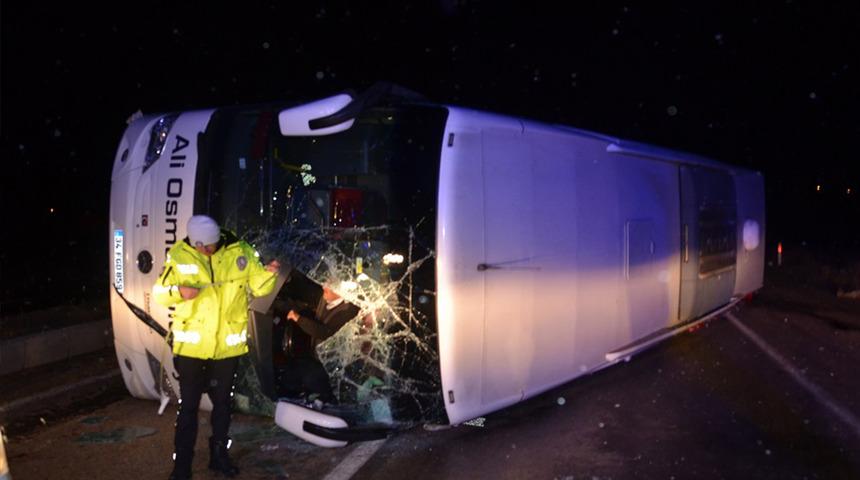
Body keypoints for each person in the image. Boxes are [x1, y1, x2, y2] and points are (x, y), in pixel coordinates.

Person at [153, 215, 280, 480]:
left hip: (226, 349)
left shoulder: (240, 251)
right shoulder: (179, 255)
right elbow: (159, 293)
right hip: (191, 350)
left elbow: (258, 286)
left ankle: (219, 455)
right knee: (188, 408)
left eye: (212, 245)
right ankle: (182, 466)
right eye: (204, 247)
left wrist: (269, 274)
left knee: (223, 405)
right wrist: (179, 291)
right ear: (195, 243)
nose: (208, 251)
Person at [276, 281, 359, 404]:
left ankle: (326, 398)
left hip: (329, 363)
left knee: (305, 376)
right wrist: (280, 304)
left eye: (329, 285)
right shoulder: (325, 298)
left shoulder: (347, 311)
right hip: (314, 353)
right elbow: (304, 302)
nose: (324, 286)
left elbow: (325, 332)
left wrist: (298, 319)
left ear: (339, 291)